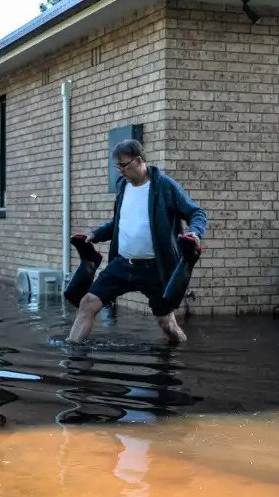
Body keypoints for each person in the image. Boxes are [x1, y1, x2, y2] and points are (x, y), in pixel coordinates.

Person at [67, 139, 208, 344]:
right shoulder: (123, 187)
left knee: (165, 323)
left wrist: (195, 232)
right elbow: (120, 223)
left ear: (139, 160)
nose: (120, 171)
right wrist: (95, 234)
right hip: (122, 264)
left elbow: (196, 212)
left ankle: (181, 356)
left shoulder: (164, 186)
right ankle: (71, 358)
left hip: (154, 269)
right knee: (87, 303)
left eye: (123, 166)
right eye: (117, 167)